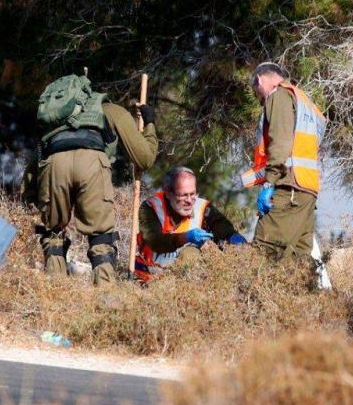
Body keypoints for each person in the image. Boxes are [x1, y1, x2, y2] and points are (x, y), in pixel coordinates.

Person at [36, 73, 158, 286]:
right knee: (101, 237)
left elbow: (37, 156)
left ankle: (54, 291)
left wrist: (32, 192)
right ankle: (104, 295)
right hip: (92, 164)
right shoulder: (110, 109)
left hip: (54, 165)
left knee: (53, 234)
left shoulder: (56, 115)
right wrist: (150, 122)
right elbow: (144, 158)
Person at [240, 62, 325, 263]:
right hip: (307, 190)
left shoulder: (279, 95)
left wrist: (269, 182)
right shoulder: (305, 101)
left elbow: (281, 143)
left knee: (263, 253)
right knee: (297, 261)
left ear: (259, 80)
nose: (260, 100)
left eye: (256, 93)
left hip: (289, 187)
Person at [135, 167, 246, 282]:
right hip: (146, 278)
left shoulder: (202, 207)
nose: (189, 201)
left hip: (179, 282)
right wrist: (185, 237)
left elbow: (220, 226)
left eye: (192, 194)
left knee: (191, 253)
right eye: (183, 195)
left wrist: (233, 238)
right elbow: (155, 241)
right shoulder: (150, 207)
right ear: (168, 192)